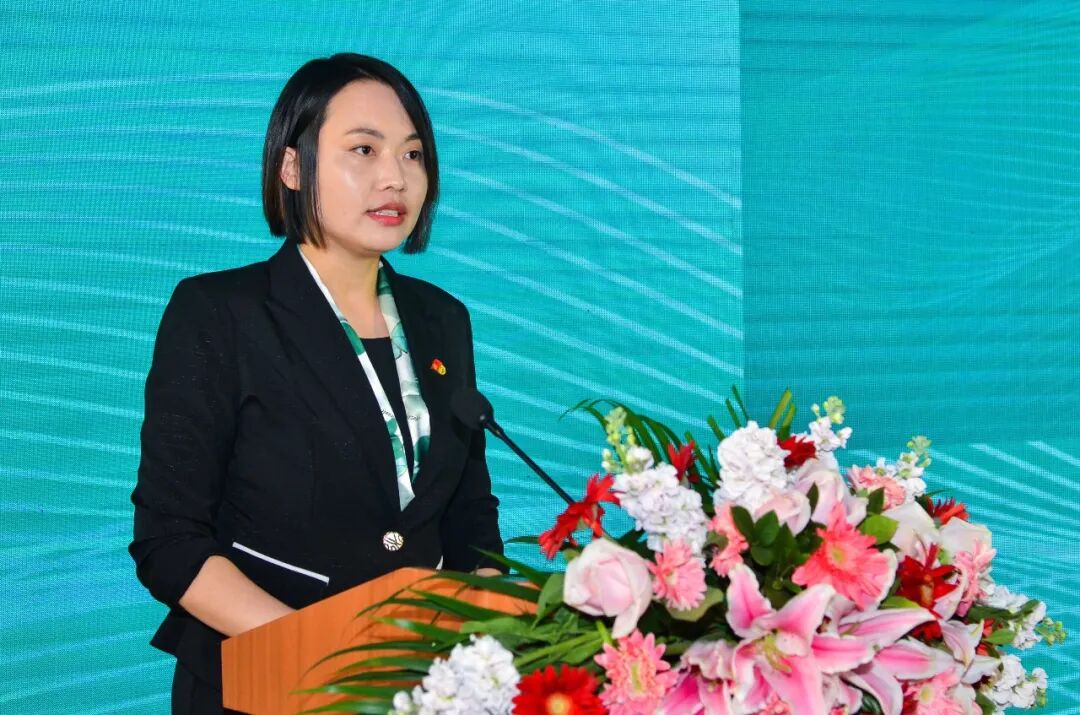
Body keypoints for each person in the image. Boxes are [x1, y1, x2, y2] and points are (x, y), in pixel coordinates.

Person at [128, 53, 505, 714]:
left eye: (413, 154)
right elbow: (170, 540)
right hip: (267, 685)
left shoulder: (442, 319)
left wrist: (481, 640)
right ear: (293, 167)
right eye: (364, 149)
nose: (395, 177)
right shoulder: (221, 314)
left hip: (420, 687)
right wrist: (322, 655)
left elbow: (469, 515)